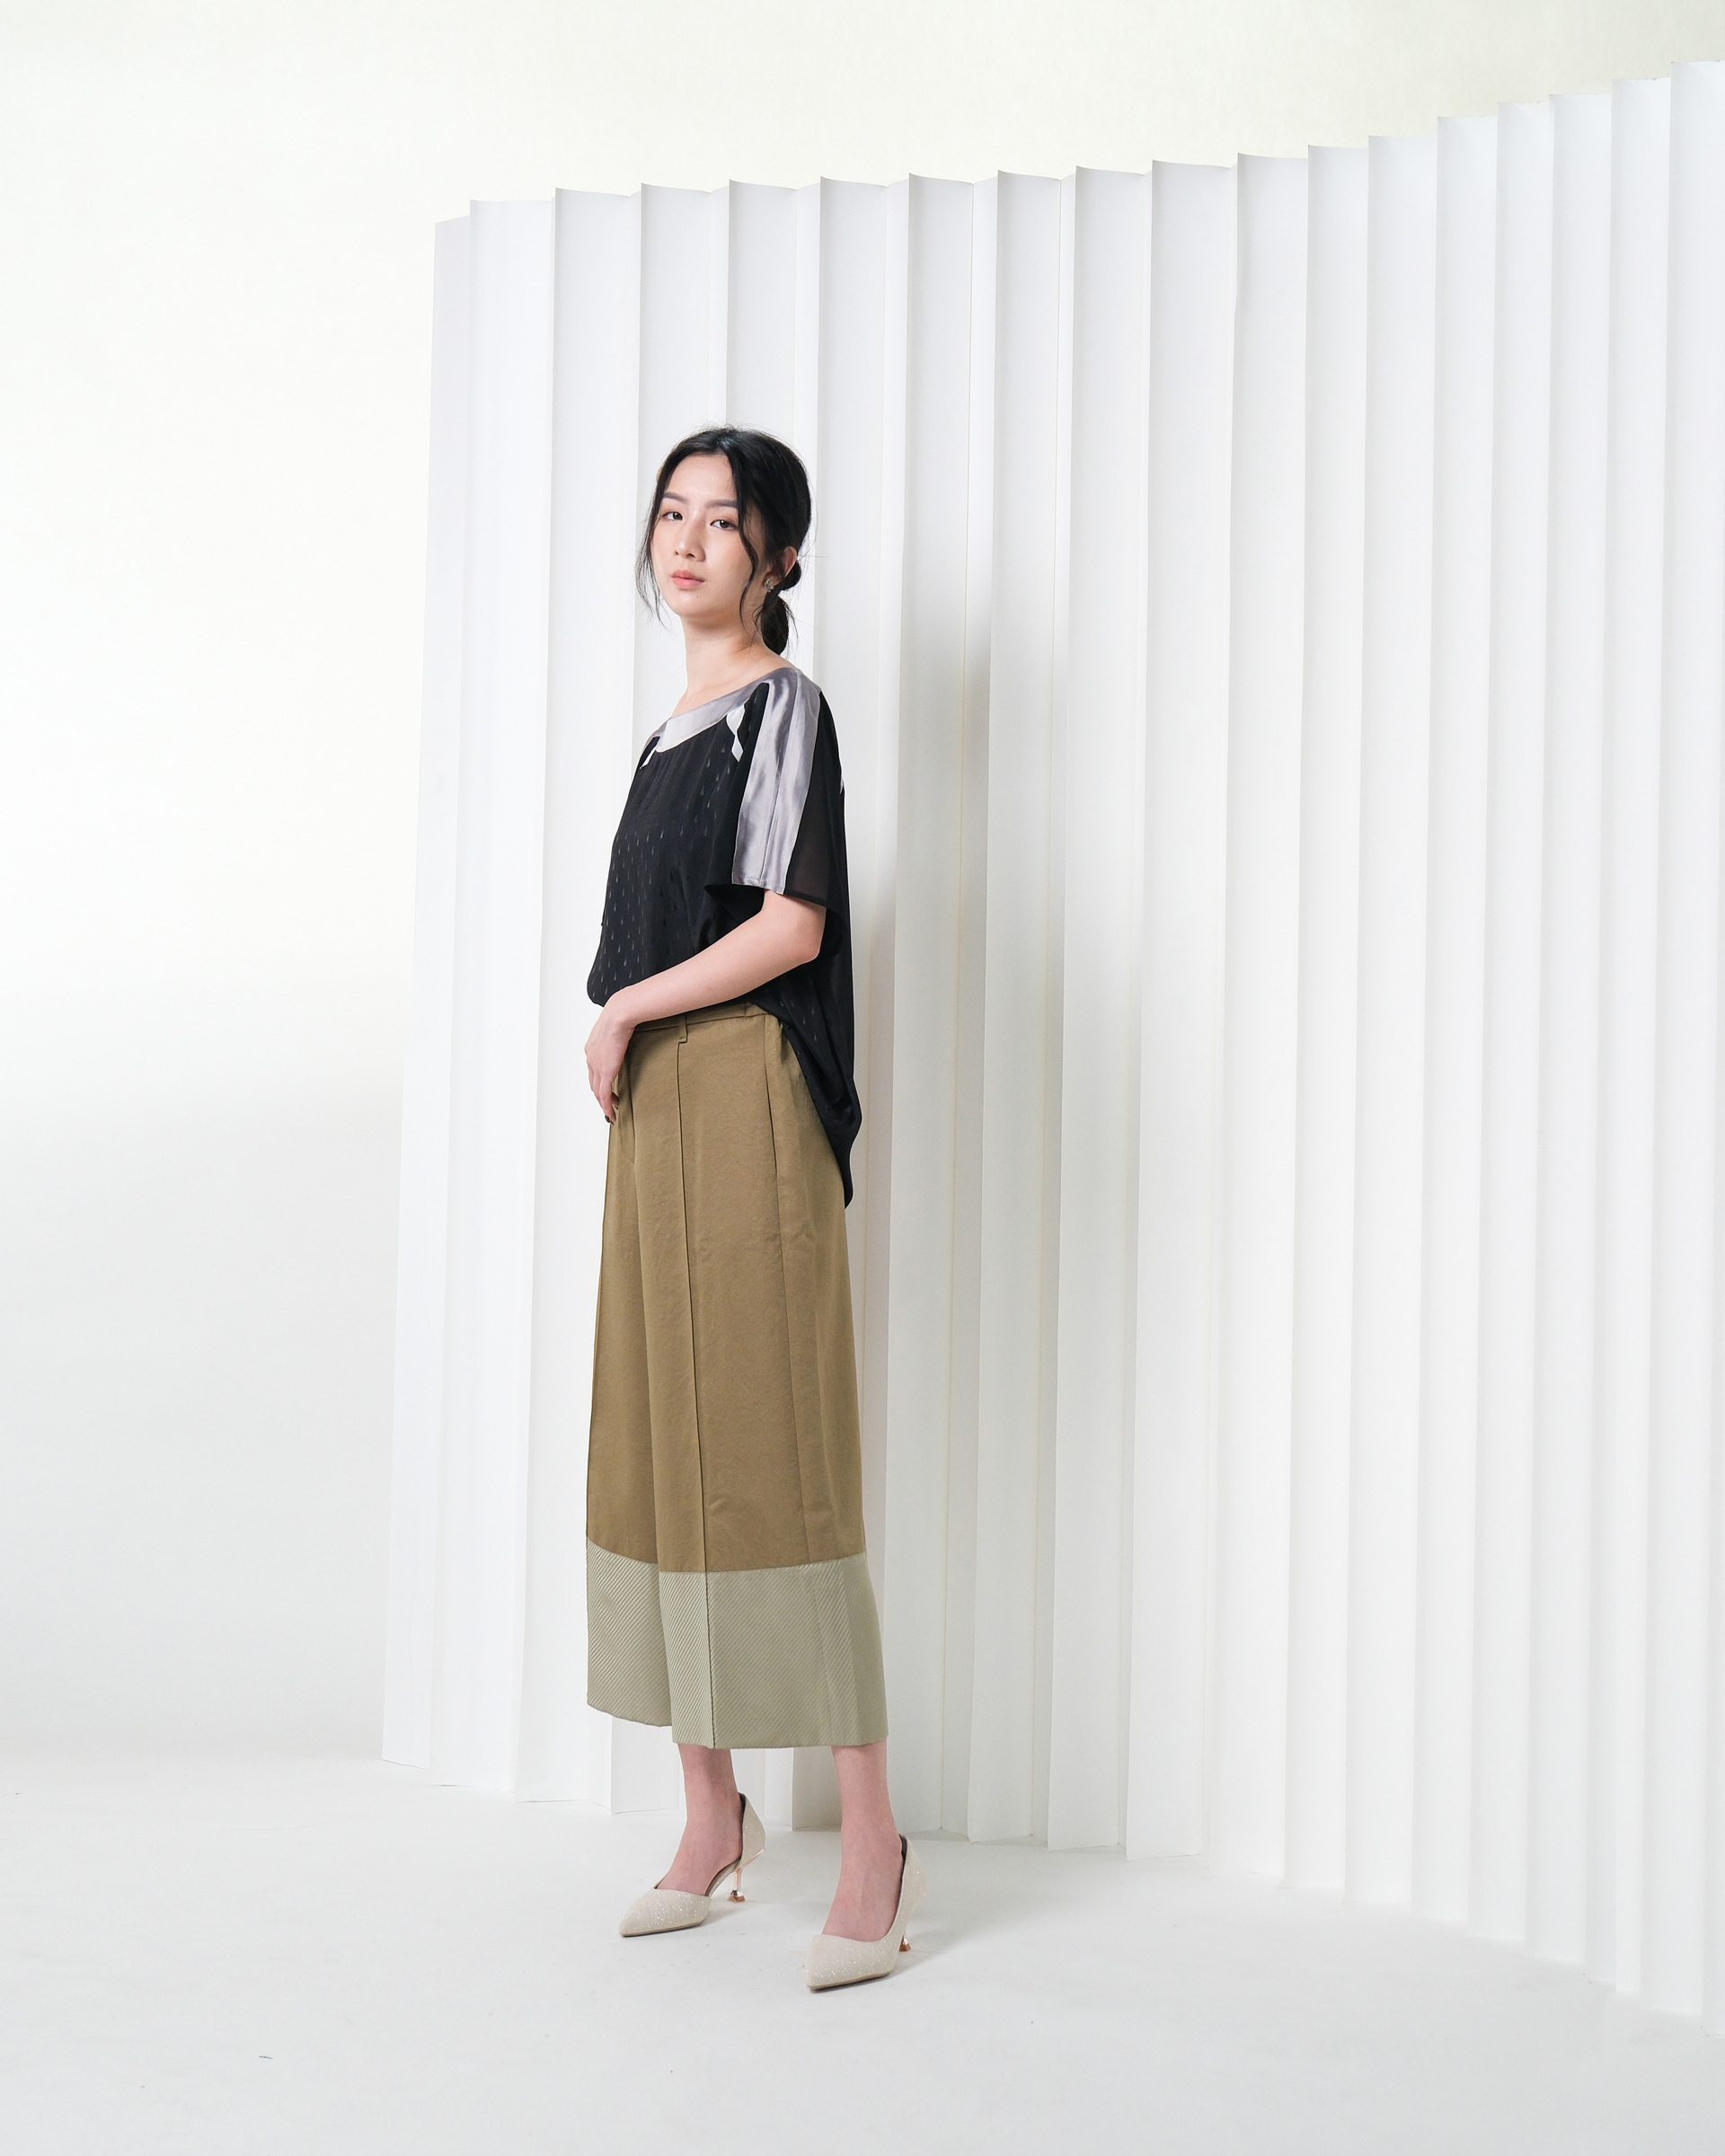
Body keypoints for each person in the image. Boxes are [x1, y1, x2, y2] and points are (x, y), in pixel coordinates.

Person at [582, 426, 924, 1991]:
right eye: (672, 512)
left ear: (779, 556)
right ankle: (711, 1816)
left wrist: (625, 1008)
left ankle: (873, 1840)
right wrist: (635, 1034)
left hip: (744, 1093)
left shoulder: (783, 708)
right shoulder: (671, 730)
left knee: (776, 1454)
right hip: (659, 1105)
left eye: (724, 521)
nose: (688, 540)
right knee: (661, 1442)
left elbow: (794, 925)